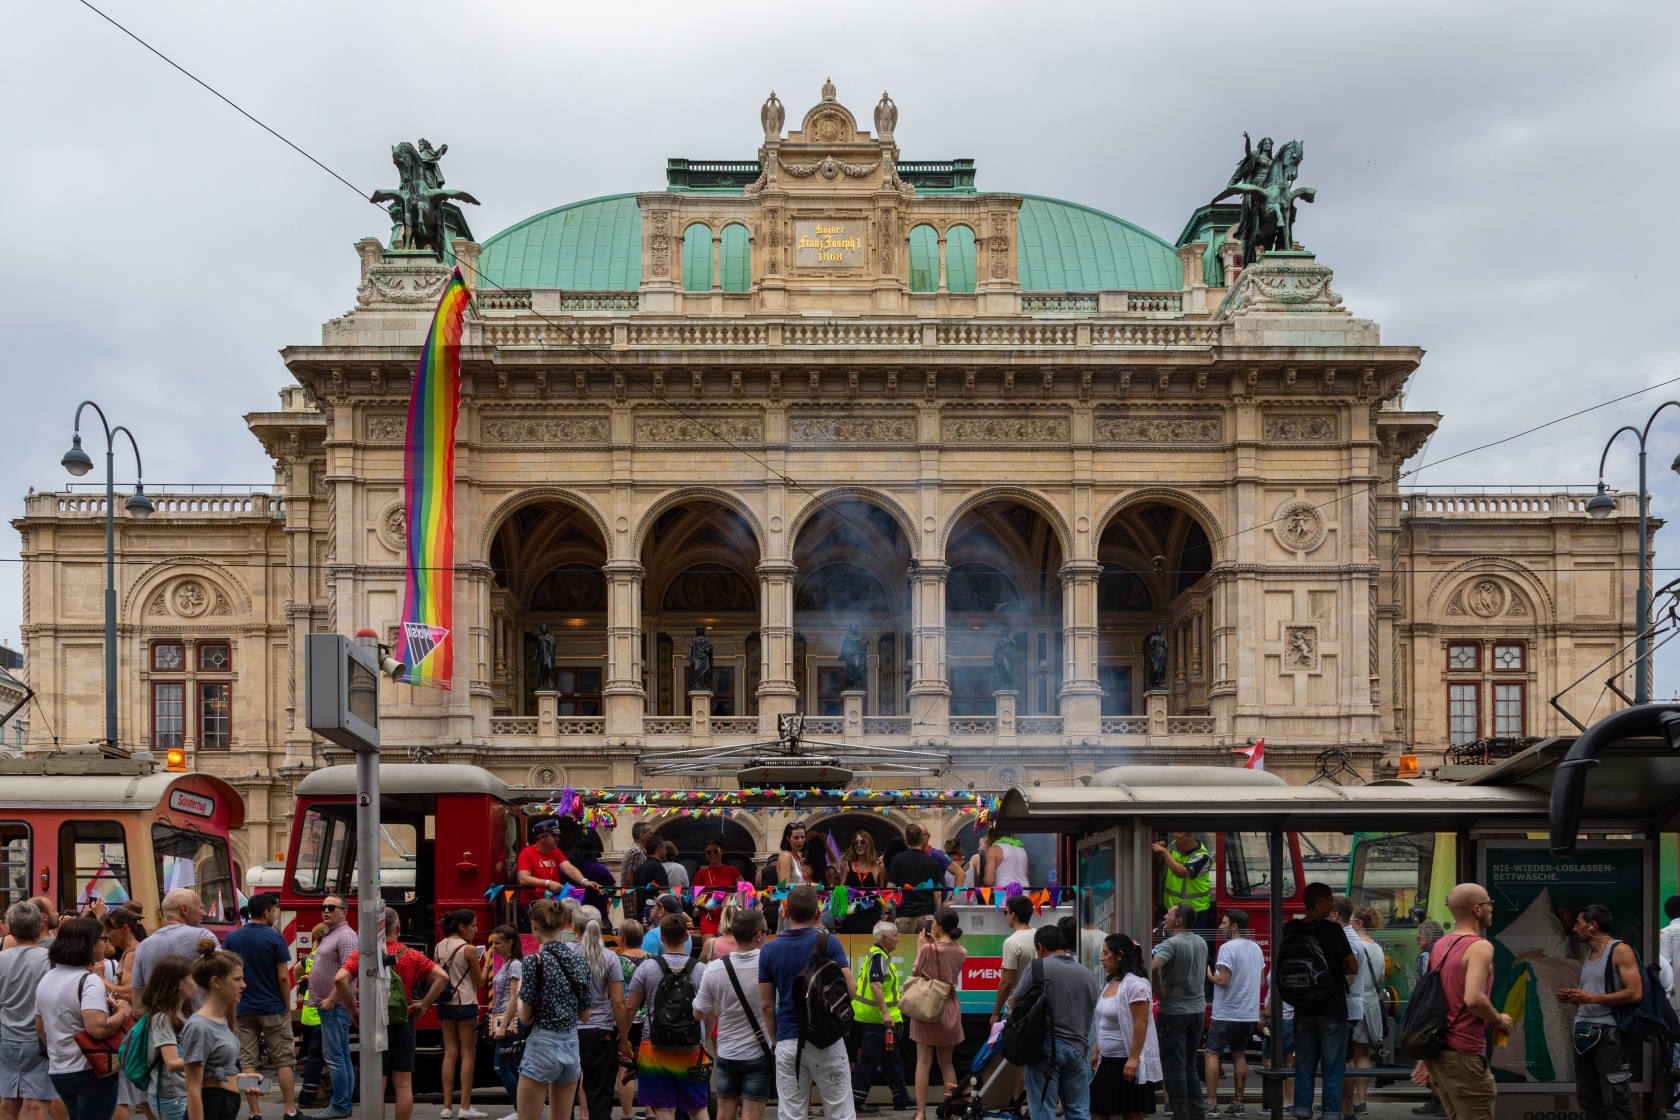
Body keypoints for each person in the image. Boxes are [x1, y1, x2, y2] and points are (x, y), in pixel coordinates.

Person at [1401, 884, 1510, 1120]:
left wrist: (1426, 1059)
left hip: (1439, 1052)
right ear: (1477, 909)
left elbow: (1432, 1005)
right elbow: (1474, 999)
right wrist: (1499, 1019)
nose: (1492, 908)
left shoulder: (1440, 945)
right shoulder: (1479, 946)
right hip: (1464, 1054)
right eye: (1489, 903)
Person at [331, 910, 447, 1120]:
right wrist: (424, 1004)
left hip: (373, 1022)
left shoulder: (364, 956)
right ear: (398, 928)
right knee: (403, 1084)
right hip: (404, 1021)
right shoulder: (411, 955)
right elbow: (442, 977)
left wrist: (354, 1011)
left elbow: (340, 979)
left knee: (378, 1084)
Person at [757, 884, 855, 1120]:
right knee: (840, 1112)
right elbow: (850, 992)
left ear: (786, 912)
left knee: (791, 1114)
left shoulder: (769, 949)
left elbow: (767, 1006)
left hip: (788, 1040)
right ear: (818, 914)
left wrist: (775, 1042)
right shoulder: (829, 943)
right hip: (827, 1039)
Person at [35, 916, 132, 1120]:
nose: (105, 942)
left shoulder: (48, 978)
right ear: (89, 943)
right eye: (102, 938)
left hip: (59, 1069)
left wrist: (60, 1049)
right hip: (90, 1069)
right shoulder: (89, 981)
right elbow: (97, 1028)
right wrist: (123, 1013)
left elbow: (40, 1026)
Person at [1556, 902, 1643, 1120]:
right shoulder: (1590, 955)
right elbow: (1592, 998)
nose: (1575, 929)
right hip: (1584, 1031)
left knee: (1615, 1099)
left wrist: (1590, 997)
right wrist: (1575, 998)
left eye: (1579, 923)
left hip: (1609, 1035)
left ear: (1593, 925)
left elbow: (1635, 993)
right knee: (1587, 1097)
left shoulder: (1620, 950)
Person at [1281, 884, 1358, 1120]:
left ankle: (1302, 1114)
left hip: (1302, 1008)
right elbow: (1353, 966)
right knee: (1332, 1071)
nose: (1333, 906)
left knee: (1304, 1068)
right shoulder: (1333, 930)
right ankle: (1331, 1115)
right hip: (1332, 1008)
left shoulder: (1289, 929)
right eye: (1330, 900)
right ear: (1321, 901)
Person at [516, 899, 594, 1120]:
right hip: (571, 1043)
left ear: (534, 924)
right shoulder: (580, 961)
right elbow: (585, 1015)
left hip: (542, 1042)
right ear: (561, 925)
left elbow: (524, 1017)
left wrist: (519, 993)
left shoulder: (533, 961)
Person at [1013, 924, 1100, 1120]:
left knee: (1044, 1112)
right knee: (1078, 1112)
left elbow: (1015, 1003)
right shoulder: (1087, 975)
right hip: (1078, 1050)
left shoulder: (1037, 967)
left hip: (1043, 1050)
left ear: (1041, 947)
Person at [223, 894, 298, 1120]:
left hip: (243, 1007)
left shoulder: (232, 938)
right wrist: (286, 1005)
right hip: (273, 1006)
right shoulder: (275, 938)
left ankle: (255, 1112)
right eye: (274, 911)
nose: (274, 914)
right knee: (284, 1061)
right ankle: (290, 1111)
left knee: (247, 1062)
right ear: (267, 912)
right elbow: (283, 977)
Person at [694, 909, 774, 1120]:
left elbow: (698, 1013)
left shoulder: (714, 969)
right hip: (759, 1053)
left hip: (727, 1053)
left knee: (724, 1115)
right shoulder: (770, 965)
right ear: (759, 935)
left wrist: (718, 1006)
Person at [626, 914, 708, 1120]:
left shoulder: (647, 967)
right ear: (687, 937)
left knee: (663, 1109)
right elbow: (712, 1011)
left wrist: (623, 1038)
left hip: (654, 1048)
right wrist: (703, 1041)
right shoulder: (701, 970)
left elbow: (630, 1008)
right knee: (697, 1109)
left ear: (661, 937)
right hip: (694, 1049)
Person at [566, 906, 629, 1120]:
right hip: (601, 1033)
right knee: (599, 1100)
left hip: (568, 1032)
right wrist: (623, 1040)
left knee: (563, 1099)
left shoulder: (564, 953)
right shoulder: (610, 958)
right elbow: (619, 1003)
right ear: (601, 926)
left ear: (573, 926)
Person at [1093, 933, 1161, 1120]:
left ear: (1120, 955)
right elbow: (1104, 1021)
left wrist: (1133, 1059)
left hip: (1125, 1061)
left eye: (1106, 953)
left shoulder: (1135, 984)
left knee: (1130, 1112)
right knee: (1098, 1110)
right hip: (1108, 1061)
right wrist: (1097, 1051)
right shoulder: (1111, 982)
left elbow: (1141, 1022)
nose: (1102, 958)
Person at [1150, 903, 1208, 1120]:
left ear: (1179, 921)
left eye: (1169, 914)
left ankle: (1180, 1115)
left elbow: (1154, 966)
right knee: (1190, 1065)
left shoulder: (1171, 943)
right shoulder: (1201, 942)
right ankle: (1197, 1114)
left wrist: (1159, 990)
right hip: (1197, 1011)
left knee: (1174, 1069)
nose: (1164, 916)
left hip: (1173, 1013)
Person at [0, 900, 56, 1120]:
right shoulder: (51, 960)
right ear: (39, 926)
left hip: (7, 1038)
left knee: (7, 1101)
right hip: (40, 1039)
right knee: (38, 1102)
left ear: (12, 930)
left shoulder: (1, 959)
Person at [848, 922, 911, 1115]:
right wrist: (885, 1013)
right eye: (895, 935)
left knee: (891, 1058)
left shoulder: (878, 955)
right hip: (876, 1019)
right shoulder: (878, 957)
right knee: (869, 1060)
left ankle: (901, 1097)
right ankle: (856, 1100)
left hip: (878, 1019)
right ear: (885, 938)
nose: (898, 938)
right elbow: (876, 985)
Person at [1205, 909, 1262, 1118]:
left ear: (1234, 927)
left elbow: (1223, 980)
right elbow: (1262, 980)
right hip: (1248, 1014)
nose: (1220, 926)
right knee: (1239, 1055)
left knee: (1212, 1053)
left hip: (1227, 1012)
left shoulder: (1227, 948)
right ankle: (1238, 1103)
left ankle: (1211, 1103)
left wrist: (1210, 975)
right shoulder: (1256, 949)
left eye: (1224, 923)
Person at [909, 909, 965, 1120]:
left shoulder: (927, 949)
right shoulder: (962, 951)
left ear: (940, 926)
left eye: (933, 923)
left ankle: (921, 1113)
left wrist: (920, 948)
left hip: (927, 1005)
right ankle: (947, 1111)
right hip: (949, 1006)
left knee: (923, 1061)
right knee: (947, 1063)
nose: (931, 926)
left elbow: (916, 971)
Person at [305, 896, 356, 1120]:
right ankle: (344, 1103)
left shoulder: (345, 936)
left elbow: (349, 971)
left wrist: (332, 1000)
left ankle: (340, 1105)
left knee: (335, 1057)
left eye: (331, 907)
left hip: (334, 1006)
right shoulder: (330, 933)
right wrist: (310, 977)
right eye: (323, 907)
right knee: (341, 1056)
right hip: (329, 1005)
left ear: (344, 912)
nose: (325, 910)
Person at [180, 945, 245, 1120]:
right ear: (216, 982)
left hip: (224, 1106)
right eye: (237, 979)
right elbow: (192, 1088)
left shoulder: (220, 1020)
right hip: (211, 1108)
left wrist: (244, 1080)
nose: (243, 985)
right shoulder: (199, 1026)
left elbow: (215, 1071)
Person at [435, 909, 487, 1120]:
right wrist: (488, 961)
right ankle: (465, 1107)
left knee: (449, 1053)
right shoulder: (470, 949)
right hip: (465, 1004)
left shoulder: (439, 945)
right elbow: (480, 982)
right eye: (473, 926)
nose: (475, 930)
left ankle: (447, 1107)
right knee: (468, 1054)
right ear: (462, 926)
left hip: (444, 1004)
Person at [141, 956, 197, 1120]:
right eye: (193, 978)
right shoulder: (163, 1019)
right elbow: (172, 1063)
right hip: (171, 1097)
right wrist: (207, 1062)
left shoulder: (184, 1014)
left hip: (184, 1091)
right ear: (179, 983)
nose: (197, 984)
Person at [516, 820, 595, 933]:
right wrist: (548, 883)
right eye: (554, 836)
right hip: (532, 908)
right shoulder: (527, 853)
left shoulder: (556, 852)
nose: (558, 839)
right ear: (542, 837)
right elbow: (523, 878)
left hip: (552, 907)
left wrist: (584, 881)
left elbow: (569, 868)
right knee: (533, 941)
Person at [1346, 907, 1387, 1117]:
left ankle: (1346, 1099)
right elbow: (1380, 980)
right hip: (1370, 1002)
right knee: (1362, 1053)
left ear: (1359, 923)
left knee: (1347, 1055)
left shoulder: (1354, 946)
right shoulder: (1377, 948)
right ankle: (1361, 1100)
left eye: (1351, 920)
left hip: (1353, 1002)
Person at [133, 891, 217, 995]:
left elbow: (138, 1007)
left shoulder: (143, 946)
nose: (204, 913)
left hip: (157, 1012)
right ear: (184, 909)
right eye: (200, 908)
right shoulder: (203, 936)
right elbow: (223, 977)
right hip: (198, 1011)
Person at [487, 925, 525, 1117]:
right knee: (511, 1066)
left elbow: (513, 998)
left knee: (500, 1067)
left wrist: (502, 1027)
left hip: (509, 1021)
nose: (493, 946)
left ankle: (520, 1109)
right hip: (505, 1018)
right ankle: (524, 1107)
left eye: (497, 943)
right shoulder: (507, 962)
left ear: (510, 943)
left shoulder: (515, 965)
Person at [1410, 920, 1447, 1117]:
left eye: (1419, 937)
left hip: (1429, 1013)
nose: (1418, 941)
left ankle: (1437, 1102)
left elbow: (1424, 986)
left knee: (1430, 1056)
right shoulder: (1446, 951)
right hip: (1444, 1013)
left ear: (1429, 938)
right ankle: (1439, 1101)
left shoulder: (1425, 955)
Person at [615, 920, 648, 1120]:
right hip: (649, 1021)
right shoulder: (654, 960)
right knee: (647, 1066)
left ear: (622, 937)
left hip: (624, 1021)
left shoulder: (616, 961)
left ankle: (627, 1115)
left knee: (624, 1066)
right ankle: (651, 1112)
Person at [887, 826, 945, 936]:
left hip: (904, 915)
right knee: (927, 951)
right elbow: (937, 893)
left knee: (905, 951)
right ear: (922, 839)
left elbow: (891, 889)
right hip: (927, 916)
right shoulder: (932, 862)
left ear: (906, 841)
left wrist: (888, 911)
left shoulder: (897, 860)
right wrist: (937, 917)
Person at [990, 895, 1038, 1024]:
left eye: (1006, 912)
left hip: (1016, 1009)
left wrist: (995, 1013)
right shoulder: (1039, 935)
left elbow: (1007, 982)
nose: (1006, 916)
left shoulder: (1012, 942)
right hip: (1037, 1006)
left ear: (1013, 915)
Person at [295, 924, 327, 1111]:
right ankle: (307, 1096)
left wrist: (300, 991)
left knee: (316, 1055)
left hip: (311, 1011)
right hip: (319, 1012)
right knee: (317, 1056)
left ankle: (309, 1094)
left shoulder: (311, 957)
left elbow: (297, 972)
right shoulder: (325, 957)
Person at [1151, 834, 1213, 930]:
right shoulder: (1173, 846)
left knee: (1191, 943)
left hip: (1194, 911)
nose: (1175, 841)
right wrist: (1160, 853)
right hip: (1172, 909)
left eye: (1179, 838)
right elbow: (1161, 866)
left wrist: (1165, 852)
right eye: (1175, 837)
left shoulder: (1202, 856)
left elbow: (1181, 873)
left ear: (1191, 837)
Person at [694, 841, 743, 944]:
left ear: (721, 852)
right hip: (709, 916)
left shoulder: (731, 870)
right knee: (709, 950)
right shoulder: (701, 873)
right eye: (708, 852)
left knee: (729, 950)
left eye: (715, 850)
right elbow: (696, 897)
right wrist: (706, 905)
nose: (712, 853)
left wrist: (730, 898)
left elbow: (745, 890)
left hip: (728, 916)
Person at [840, 834, 886, 935]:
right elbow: (840, 890)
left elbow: (881, 892)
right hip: (852, 914)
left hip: (872, 913)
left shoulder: (879, 866)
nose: (859, 845)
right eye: (856, 843)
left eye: (863, 842)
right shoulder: (847, 864)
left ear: (869, 845)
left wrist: (884, 915)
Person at [569, 843, 618, 928]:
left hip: (574, 914)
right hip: (599, 914)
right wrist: (607, 893)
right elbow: (613, 888)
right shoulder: (600, 868)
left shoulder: (569, 870)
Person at [632, 831, 671, 927]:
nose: (666, 852)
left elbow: (634, 895)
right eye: (665, 849)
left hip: (641, 918)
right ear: (659, 849)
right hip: (654, 920)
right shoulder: (657, 867)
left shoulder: (638, 869)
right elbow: (663, 893)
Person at [621, 822, 655, 898]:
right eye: (650, 834)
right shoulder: (637, 852)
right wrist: (638, 897)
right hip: (635, 901)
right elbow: (631, 878)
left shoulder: (633, 850)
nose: (652, 837)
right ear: (642, 835)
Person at [776, 824, 812, 889]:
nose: (800, 841)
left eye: (802, 837)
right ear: (788, 838)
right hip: (789, 898)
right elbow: (784, 885)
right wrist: (809, 884)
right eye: (796, 838)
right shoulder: (786, 856)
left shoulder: (799, 856)